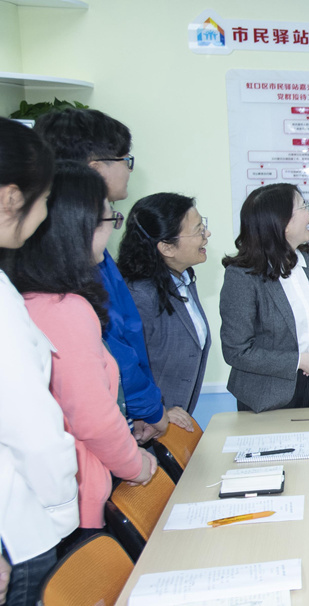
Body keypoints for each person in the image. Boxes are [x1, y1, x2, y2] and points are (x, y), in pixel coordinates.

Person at [13, 161, 157, 540]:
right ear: (77, 227)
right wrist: (134, 464)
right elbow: (92, 417)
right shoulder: (64, 309)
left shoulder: (22, 297)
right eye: (111, 219)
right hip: (75, 499)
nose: (112, 232)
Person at [34, 108, 192, 442]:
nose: (129, 169)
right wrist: (150, 409)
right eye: (124, 159)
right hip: (104, 422)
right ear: (95, 169)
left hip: (127, 411)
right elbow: (111, 343)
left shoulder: (88, 244)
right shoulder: (77, 253)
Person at [0, 118, 78, 606]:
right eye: (46, 198)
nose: (47, 212)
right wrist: (62, 512)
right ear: (12, 198)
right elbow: (33, 431)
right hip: (19, 532)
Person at [221, 184, 309, 412]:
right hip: (267, 396)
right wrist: (299, 361)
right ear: (281, 222)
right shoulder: (242, 276)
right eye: (303, 207)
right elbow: (237, 351)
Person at [118, 193, 211, 416]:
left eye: (204, 226)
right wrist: (156, 412)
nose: (207, 234)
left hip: (174, 424)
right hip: (148, 425)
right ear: (167, 248)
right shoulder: (139, 295)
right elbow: (126, 369)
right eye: (198, 230)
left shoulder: (183, 280)